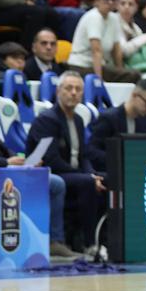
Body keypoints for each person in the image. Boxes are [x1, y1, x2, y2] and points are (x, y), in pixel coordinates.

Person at [0, 78, 75, 258]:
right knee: (56, 184)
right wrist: (6, 163)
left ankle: (53, 240)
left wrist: (23, 160)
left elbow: (2, 147)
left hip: (6, 170)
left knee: (55, 183)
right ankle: (47, 240)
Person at [26, 70, 105, 255]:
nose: (73, 93)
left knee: (104, 179)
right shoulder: (47, 119)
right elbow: (52, 160)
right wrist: (87, 177)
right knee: (88, 182)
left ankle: (103, 238)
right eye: (69, 88)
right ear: (58, 91)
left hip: (72, 173)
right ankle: (89, 243)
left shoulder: (77, 119)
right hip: (49, 172)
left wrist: (92, 174)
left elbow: (83, 156)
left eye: (78, 89)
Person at [67, 0, 141, 83]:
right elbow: (96, 51)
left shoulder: (114, 18)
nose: (110, 2)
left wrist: (120, 70)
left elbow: (116, 50)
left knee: (132, 75)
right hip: (81, 65)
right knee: (130, 75)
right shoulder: (94, 16)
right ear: (97, 0)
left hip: (99, 66)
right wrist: (99, 80)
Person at [88, 79, 146, 172]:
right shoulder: (109, 118)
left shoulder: (144, 122)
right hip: (110, 172)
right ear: (134, 95)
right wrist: (119, 161)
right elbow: (92, 151)